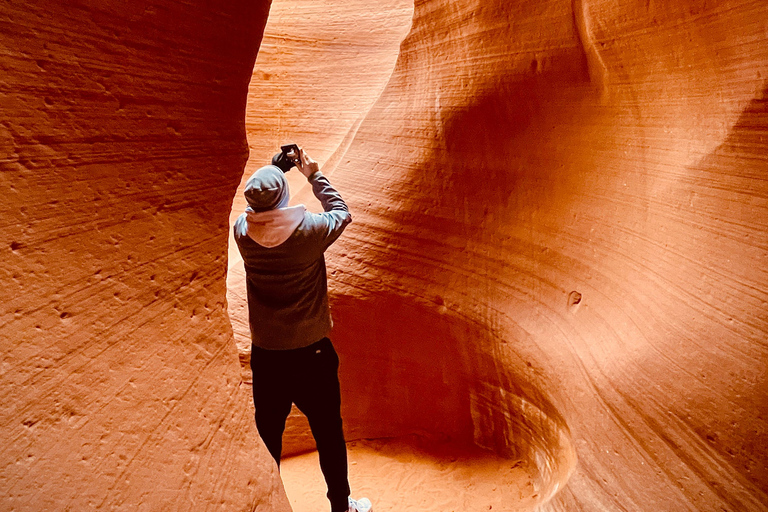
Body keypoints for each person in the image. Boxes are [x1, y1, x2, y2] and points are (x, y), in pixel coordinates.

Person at [233, 146, 372, 512]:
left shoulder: (243, 235)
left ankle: (268, 507)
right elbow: (341, 213)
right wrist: (312, 174)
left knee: (268, 440)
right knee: (328, 434)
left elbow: (256, 205)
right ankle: (341, 508)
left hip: (267, 358)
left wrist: (271, 171)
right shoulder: (309, 231)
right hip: (312, 354)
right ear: (282, 195)